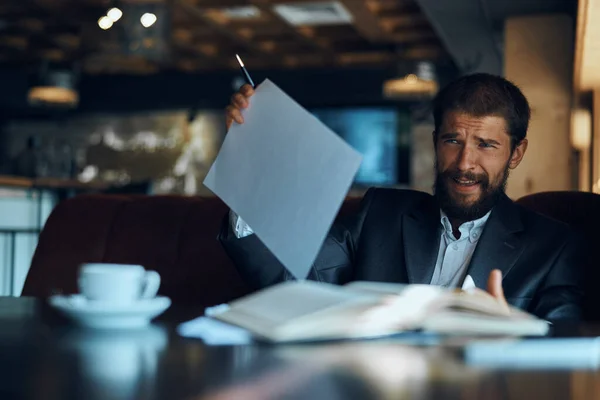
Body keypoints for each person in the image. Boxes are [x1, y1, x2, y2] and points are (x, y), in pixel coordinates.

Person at [219, 73, 585, 321]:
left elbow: (564, 350)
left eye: (486, 145)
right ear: (435, 141)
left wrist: (512, 336)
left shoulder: (554, 246)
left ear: (516, 154)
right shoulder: (379, 213)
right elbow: (289, 282)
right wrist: (251, 165)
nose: (464, 163)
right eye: (452, 140)